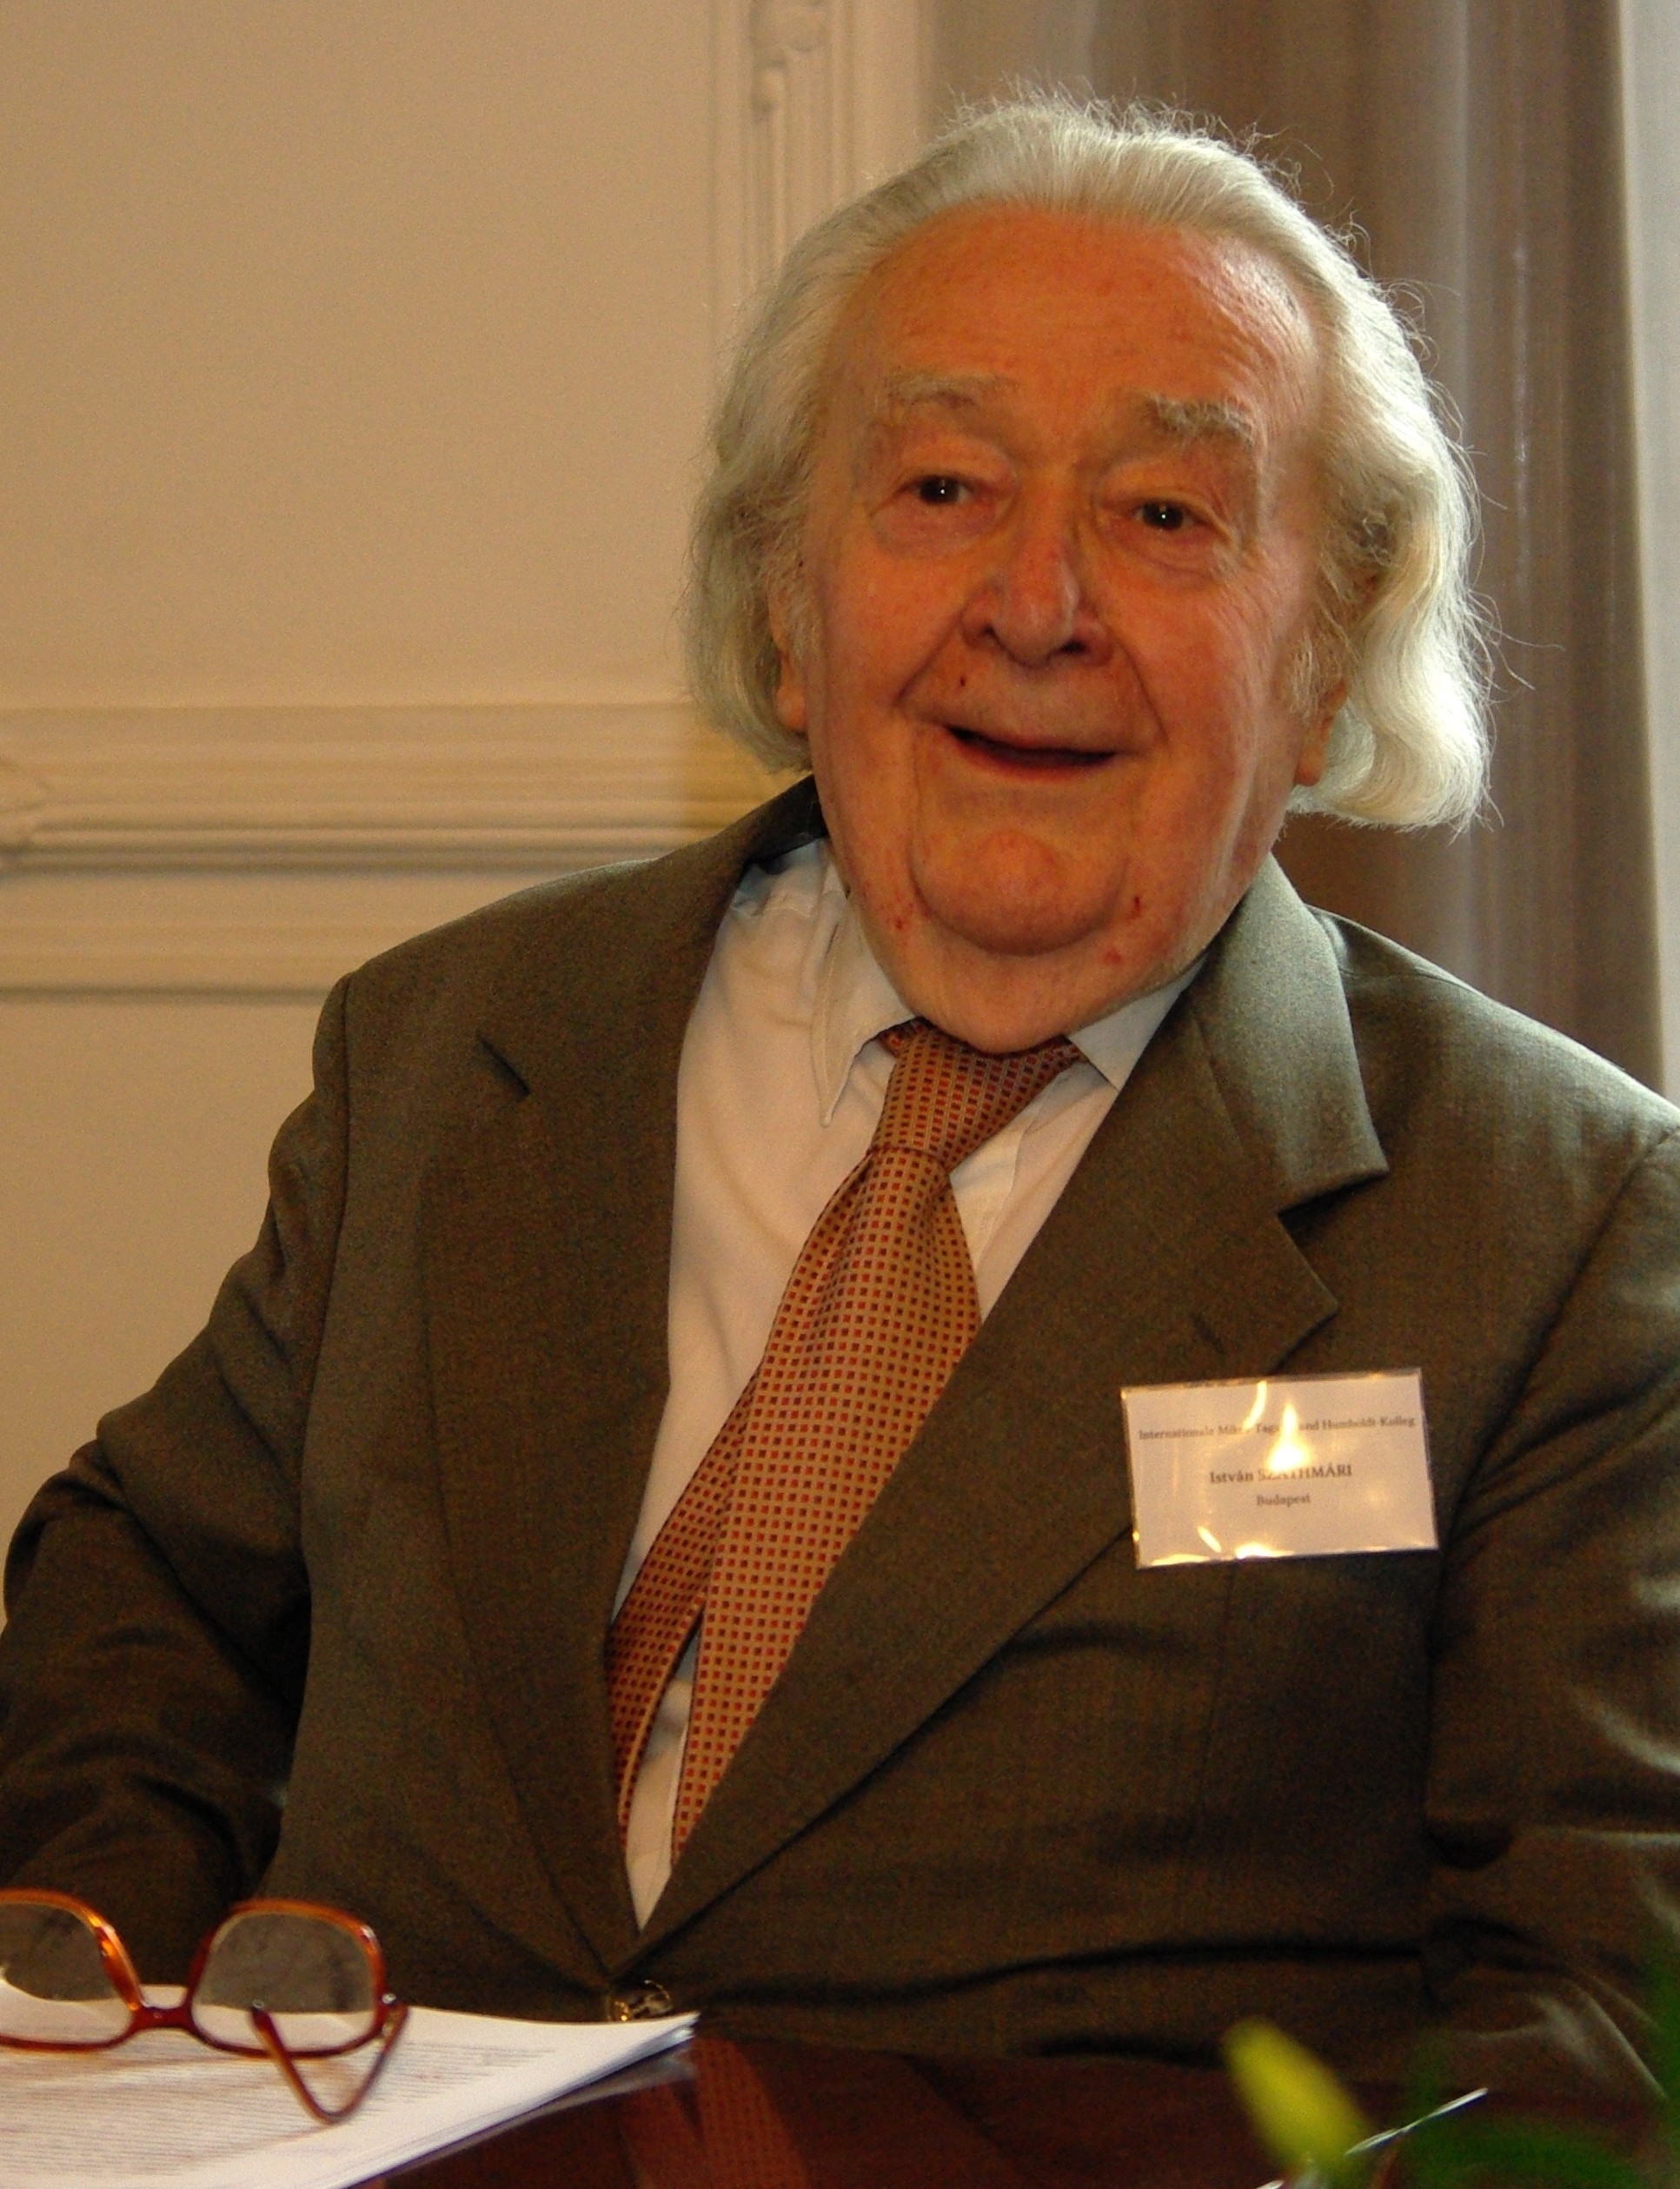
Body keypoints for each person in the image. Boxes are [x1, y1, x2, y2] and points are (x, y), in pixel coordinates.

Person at [3, 98, 1677, 2100]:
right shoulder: (453, 1050)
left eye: (1166, 515)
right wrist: (114, 2035)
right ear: (785, 602)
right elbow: (148, 1585)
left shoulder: (1557, 1227)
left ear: (1329, 653)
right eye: (943, 487)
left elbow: (1594, 2008)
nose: (1038, 602)